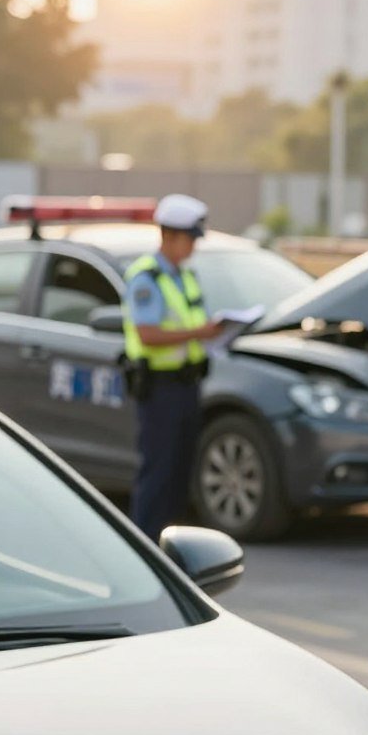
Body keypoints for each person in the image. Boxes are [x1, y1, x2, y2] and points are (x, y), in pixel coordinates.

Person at [122, 193, 224, 541]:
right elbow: (147, 334)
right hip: (160, 390)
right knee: (158, 475)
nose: (193, 247)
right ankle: (147, 547)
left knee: (180, 474)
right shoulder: (146, 279)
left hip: (187, 386)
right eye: (190, 240)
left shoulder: (183, 276)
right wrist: (200, 332)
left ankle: (172, 549)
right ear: (169, 236)